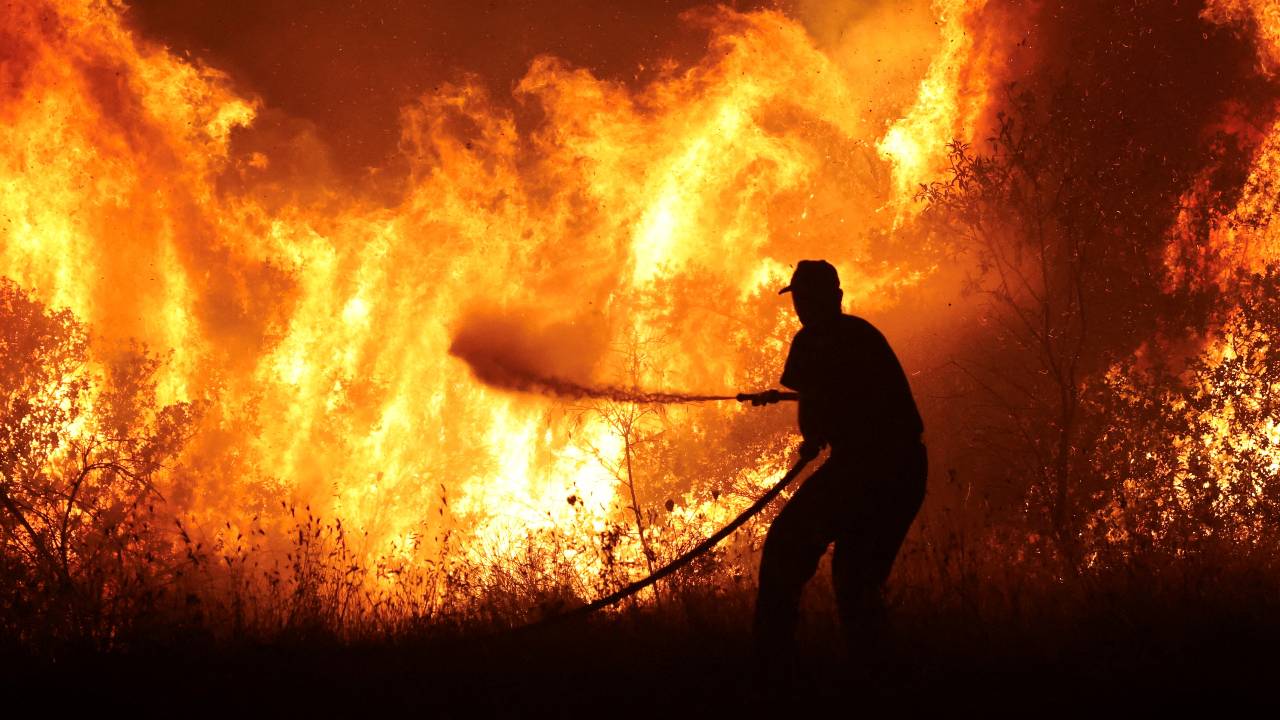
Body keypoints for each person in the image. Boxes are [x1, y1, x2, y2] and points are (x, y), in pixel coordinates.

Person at [751, 259, 927, 667]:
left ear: (834, 297)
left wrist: (811, 437)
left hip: (867, 468)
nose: (802, 307)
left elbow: (814, 419)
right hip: (906, 469)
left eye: (806, 298)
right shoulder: (862, 333)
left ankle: (770, 670)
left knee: (785, 548)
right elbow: (846, 394)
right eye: (799, 299)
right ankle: (876, 677)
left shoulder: (813, 340)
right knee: (856, 582)